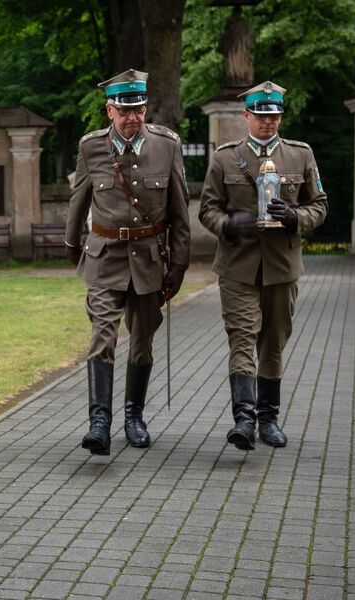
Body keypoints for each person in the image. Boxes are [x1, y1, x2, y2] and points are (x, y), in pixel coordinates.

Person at [64, 69, 191, 456]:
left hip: (150, 261)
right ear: (109, 110)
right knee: (103, 335)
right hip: (105, 259)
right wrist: (74, 246)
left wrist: (178, 265)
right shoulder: (91, 148)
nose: (133, 117)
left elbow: (180, 210)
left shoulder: (167, 146)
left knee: (141, 341)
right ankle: (99, 423)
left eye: (138, 109)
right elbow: (79, 201)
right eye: (124, 110)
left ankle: (133, 417)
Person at [198, 81, 328, 451]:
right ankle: (244, 418)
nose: (267, 122)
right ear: (247, 116)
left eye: (274, 116)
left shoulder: (300, 155)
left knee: (273, 342)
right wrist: (227, 225)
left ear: (280, 117)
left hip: (282, 266)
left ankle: (268, 419)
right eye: (260, 115)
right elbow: (207, 209)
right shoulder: (225, 158)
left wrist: (296, 217)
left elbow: (319, 204)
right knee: (242, 337)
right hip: (238, 267)